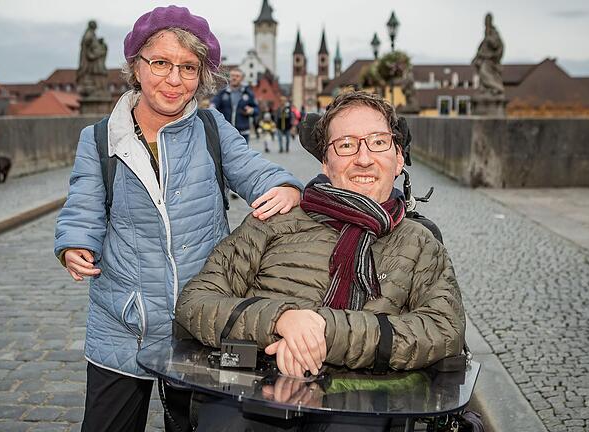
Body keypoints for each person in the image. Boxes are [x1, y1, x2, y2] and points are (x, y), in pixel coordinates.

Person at [53, 6, 303, 432]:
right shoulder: (98, 138)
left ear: (201, 75)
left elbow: (253, 168)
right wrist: (75, 243)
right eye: (161, 63)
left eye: (188, 67)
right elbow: (83, 204)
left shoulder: (211, 127)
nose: (174, 79)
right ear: (136, 66)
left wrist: (285, 185)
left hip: (203, 322)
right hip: (124, 322)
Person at [175, 91, 465, 430]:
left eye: (378, 142)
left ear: (399, 159)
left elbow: (443, 330)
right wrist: (281, 321)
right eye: (346, 145)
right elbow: (195, 302)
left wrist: (325, 331)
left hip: (360, 405)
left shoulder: (419, 243)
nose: (364, 158)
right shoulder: (273, 221)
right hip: (251, 398)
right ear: (325, 162)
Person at [211, 67, 258, 144]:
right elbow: (214, 104)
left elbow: (256, 109)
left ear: (242, 78)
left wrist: (252, 110)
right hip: (226, 131)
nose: (234, 78)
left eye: (237, 76)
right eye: (232, 76)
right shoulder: (223, 93)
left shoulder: (247, 93)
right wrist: (212, 106)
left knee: (242, 155)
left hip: (243, 132)